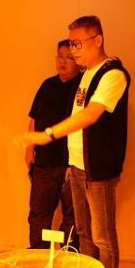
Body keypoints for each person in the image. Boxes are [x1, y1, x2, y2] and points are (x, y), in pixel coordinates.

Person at [16, 15, 130, 268]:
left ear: (98, 40)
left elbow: (91, 115)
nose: (74, 51)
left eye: (78, 44)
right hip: (77, 165)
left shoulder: (113, 74)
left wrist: (47, 135)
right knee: (83, 232)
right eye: (70, 44)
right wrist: (69, 161)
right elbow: (77, 121)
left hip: (99, 169)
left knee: (103, 235)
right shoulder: (86, 74)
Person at [26, 39, 81, 250]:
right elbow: (33, 119)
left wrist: (74, 164)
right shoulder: (47, 85)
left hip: (71, 164)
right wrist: (29, 149)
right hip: (43, 162)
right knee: (38, 212)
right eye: (60, 56)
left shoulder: (82, 87)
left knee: (72, 217)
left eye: (69, 58)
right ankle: (37, 255)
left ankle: (67, 257)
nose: (62, 62)